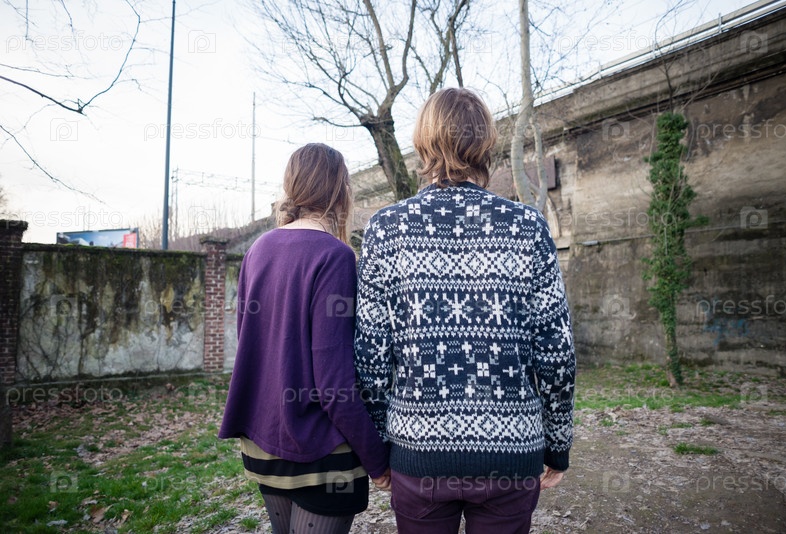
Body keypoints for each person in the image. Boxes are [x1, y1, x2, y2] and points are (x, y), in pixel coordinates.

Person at [354, 88, 576, 534]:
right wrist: (557, 443)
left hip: (418, 455)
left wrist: (378, 450)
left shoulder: (386, 229)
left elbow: (370, 356)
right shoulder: (527, 227)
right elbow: (557, 354)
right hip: (510, 455)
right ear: (485, 143)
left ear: (423, 142)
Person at [219, 143, 391, 534]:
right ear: (341, 191)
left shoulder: (258, 249)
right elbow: (334, 383)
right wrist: (377, 460)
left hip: (264, 443)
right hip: (321, 452)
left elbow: (253, 347)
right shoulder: (335, 256)